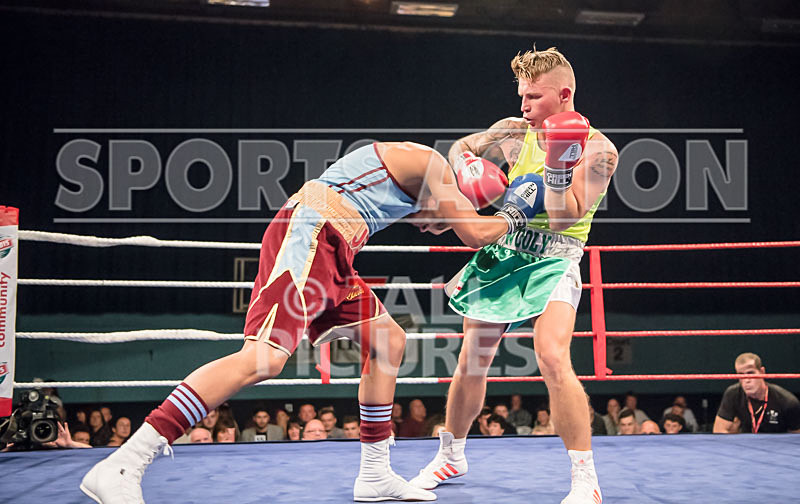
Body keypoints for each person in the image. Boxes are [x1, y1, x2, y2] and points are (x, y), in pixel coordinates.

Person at [81, 140, 544, 503]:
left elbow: (480, 155)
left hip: (337, 249)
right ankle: (126, 462)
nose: (429, 228)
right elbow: (475, 233)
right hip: (311, 232)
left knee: (389, 343)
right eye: (441, 219)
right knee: (261, 359)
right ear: (456, 193)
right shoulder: (434, 168)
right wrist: (520, 211)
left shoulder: (440, 173)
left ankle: (376, 473)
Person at [411, 46, 618, 504]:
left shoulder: (600, 150)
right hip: (505, 251)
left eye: (534, 97)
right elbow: (461, 146)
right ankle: (452, 454)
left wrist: (557, 175)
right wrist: (467, 170)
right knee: (472, 360)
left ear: (564, 95)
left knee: (552, 356)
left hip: (555, 256)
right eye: (521, 95)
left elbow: (566, 219)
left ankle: (585, 478)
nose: (524, 106)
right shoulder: (513, 131)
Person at [713, 352, 800, 434]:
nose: (746, 380)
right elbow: (719, 431)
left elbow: (796, 438)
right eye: (741, 375)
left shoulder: (787, 401)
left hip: (777, 446)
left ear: (762, 372)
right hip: (744, 446)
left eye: (750, 373)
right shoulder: (733, 394)